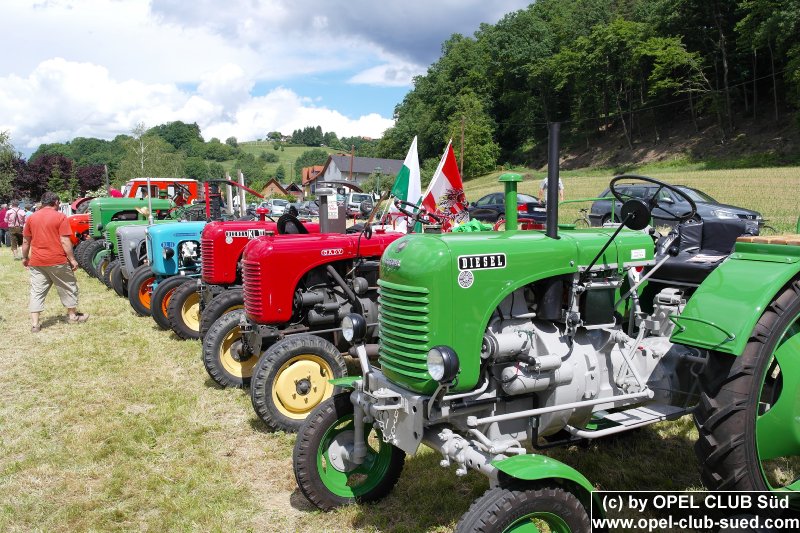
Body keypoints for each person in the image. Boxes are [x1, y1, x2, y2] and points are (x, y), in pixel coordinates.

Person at [22, 191, 89, 332]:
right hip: (57, 260)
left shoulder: (31, 218)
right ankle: (72, 316)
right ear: (56, 202)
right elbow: (65, 241)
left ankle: (35, 324)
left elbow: (26, 241)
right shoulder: (60, 217)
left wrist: (24, 257)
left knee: (37, 291)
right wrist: (72, 259)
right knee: (68, 286)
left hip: (37, 261)